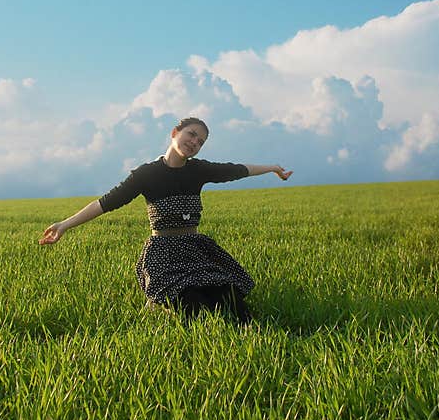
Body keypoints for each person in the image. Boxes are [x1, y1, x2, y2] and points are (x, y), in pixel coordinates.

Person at [39, 117, 293, 323]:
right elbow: (106, 202)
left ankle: (170, 301)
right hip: (164, 255)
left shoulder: (199, 170)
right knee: (195, 310)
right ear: (175, 132)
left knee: (234, 305)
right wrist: (64, 225)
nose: (195, 142)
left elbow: (237, 170)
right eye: (191, 134)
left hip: (195, 250)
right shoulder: (146, 174)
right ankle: (159, 301)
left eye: (201, 141)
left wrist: (272, 168)